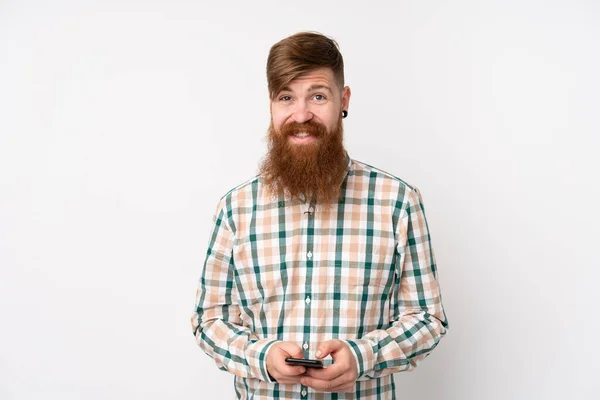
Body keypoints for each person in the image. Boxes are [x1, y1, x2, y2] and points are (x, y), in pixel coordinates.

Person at [191, 31, 449, 400]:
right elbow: (209, 321)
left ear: (343, 100)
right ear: (271, 105)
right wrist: (261, 357)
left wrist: (364, 357)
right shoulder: (235, 208)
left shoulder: (398, 201)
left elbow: (427, 318)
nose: (301, 114)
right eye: (286, 97)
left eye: (317, 95)